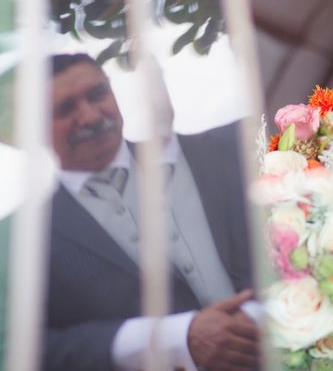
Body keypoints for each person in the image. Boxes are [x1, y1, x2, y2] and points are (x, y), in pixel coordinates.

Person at [46, 53, 259, 371]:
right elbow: (34, 348)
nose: (90, 116)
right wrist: (174, 341)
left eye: (97, 94)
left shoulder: (232, 148)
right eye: (65, 109)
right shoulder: (30, 239)